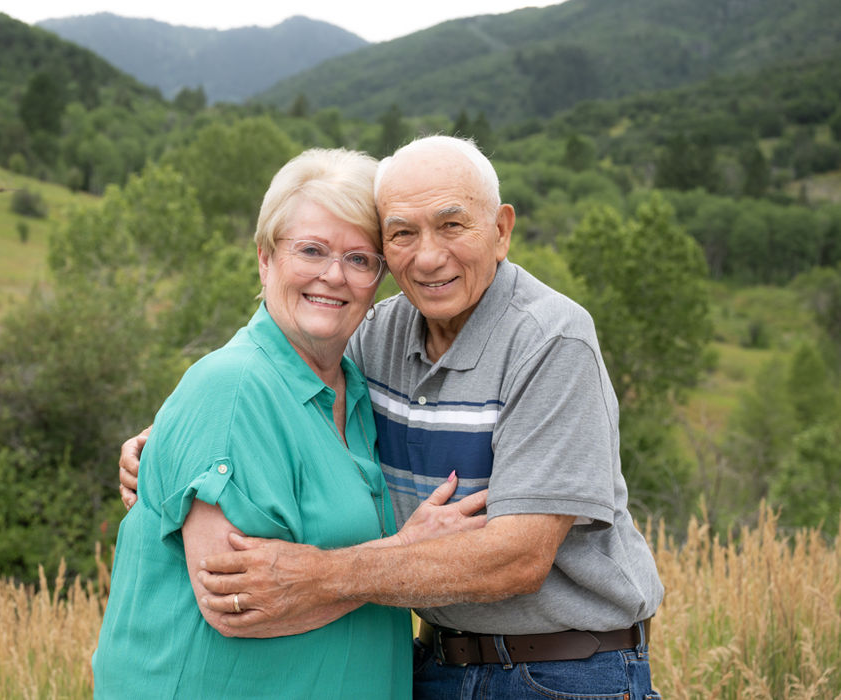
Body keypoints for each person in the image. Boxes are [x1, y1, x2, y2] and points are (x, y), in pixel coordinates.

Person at [119, 135, 665, 699]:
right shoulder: (377, 333)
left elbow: (519, 559)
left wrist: (316, 576)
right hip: (431, 664)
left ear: (501, 231)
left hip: (559, 671)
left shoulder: (550, 338)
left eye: (452, 226)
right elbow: (282, 395)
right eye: (403, 233)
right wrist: (167, 444)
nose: (428, 257)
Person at [92, 147, 487, 699]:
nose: (333, 275)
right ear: (264, 258)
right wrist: (407, 556)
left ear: (380, 278)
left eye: (360, 259)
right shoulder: (231, 387)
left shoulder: (356, 389)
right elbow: (236, 604)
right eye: (312, 250)